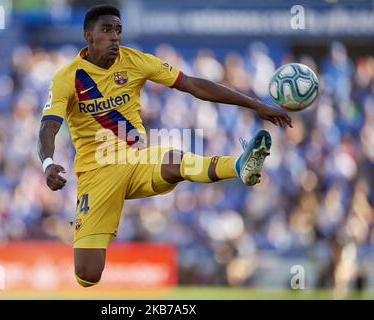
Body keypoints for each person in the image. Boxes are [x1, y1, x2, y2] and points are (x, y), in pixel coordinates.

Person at [37, 4, 293, 288]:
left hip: (136, 161)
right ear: (88, 36)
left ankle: (239, 165)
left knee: (175, 160)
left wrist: (255, 105)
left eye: (118, 30)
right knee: (88, 275)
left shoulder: (137, 61)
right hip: (97, 174)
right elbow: (49, 126)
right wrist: (47, 163)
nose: (114, 37)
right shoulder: (66, 78)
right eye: (106, 30)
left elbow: (194, 85)